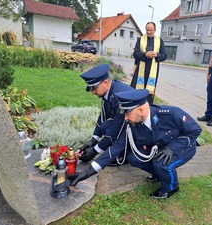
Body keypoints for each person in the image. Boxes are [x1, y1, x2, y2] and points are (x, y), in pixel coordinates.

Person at [69, 89, 202, 199]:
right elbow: (116, 147)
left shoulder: (171, 114)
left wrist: (172, 148)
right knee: (133, 158)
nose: (125, 118)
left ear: (141, 110)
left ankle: (171, 187)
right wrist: (87, 172)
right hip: (159, 148)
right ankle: (158, 175)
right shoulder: (132, 124)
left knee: (161, 163)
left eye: (127, 113)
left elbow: (195, 131)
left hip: (182, 147)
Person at [76, 64, 133, 165]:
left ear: (105, 83)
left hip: (138, 131)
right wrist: (93, 140)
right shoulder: (109, 91)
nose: (92, 92)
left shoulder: (119, 96)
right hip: (125, 126)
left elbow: (117, 129)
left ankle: (124, 155)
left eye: (94, 88)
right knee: (105, 126)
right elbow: (102, 117)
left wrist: (95, 151)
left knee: (112, 128)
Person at [130, 22, 167, 105]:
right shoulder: (140, 39)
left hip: (152, 70)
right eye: (147, 30)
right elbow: (135, 53)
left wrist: (156, 55)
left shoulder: (160, 41)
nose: (149, 32)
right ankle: (134, 106)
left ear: (155, 30)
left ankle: (148, 107)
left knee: (149, 93)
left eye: (151, 30)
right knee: (136, 90)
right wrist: (145, 54)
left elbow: (164, 55)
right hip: (140, 69)